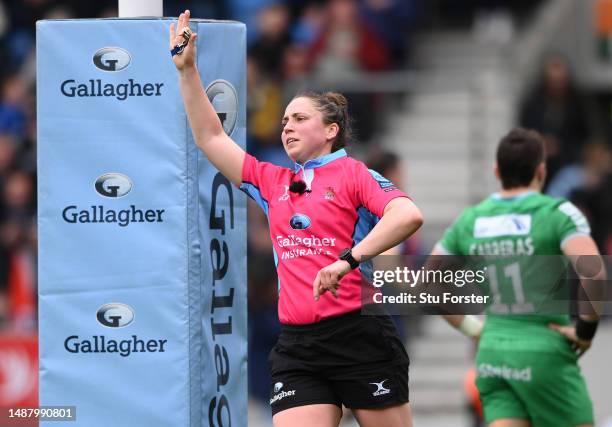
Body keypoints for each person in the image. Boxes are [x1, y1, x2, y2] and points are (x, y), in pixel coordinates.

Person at [169, 11, 423, 427]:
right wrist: (187, 69)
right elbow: (211, 137)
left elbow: (407, 214)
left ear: (331, 131)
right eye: (285, 120)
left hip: (359, 335)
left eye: (300, 119)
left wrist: (347, 261)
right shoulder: (272, 181)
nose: (287, 127)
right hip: (299, 346)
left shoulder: (354, 174)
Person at [432, 128, 605, 427]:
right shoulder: (557, 212)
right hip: (544, 349)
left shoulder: (472, 219)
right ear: (541, 170)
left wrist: (475, 330)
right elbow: (593, 271)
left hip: (493, 352)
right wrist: (586, 332)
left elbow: (429, 283)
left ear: (496, 170)